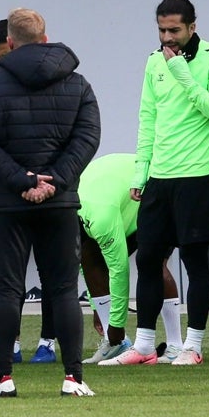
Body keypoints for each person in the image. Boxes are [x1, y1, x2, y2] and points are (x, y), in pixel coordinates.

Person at [0, 7, 100, 397]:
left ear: (9, 43)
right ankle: (74, 378)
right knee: (62, 289)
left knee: (7, 290)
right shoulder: (78, 84)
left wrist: (20, 180)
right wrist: (55, 181)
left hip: (9, 204)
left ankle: (3, 379)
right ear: (45, 39)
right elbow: (87, 138)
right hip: (60, 204)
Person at [108, 0, 209, 366]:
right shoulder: (152, 62)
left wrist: (181, 73)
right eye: (161, 29)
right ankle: (144, 346)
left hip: (197, 174)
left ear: (192, 26)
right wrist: (140, 172)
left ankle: (192, 346)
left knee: (194, 261)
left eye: (174, 30)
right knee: (147, 259)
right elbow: (148, 118)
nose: (167, 37)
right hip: (159, 177)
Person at [0, 19, 59, 366]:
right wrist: (16, 179)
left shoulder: (58, 82)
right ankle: (9, 346)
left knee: (53, 274)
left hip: (51, 190)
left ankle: (49, 342)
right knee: (7, 277)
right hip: (8, 193)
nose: (1, 62)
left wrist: (43, 180)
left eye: (4, 54)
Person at [79, 153, 181, 364]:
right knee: (88, 257)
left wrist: (116, 322)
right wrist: (97, 308)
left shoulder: (99, 217)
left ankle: (176, 345)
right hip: (125, 203)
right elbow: (83, 267)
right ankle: (115, 343)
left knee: (152, 263)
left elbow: (119, 269)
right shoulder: (76, 216)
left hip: (158, 190)